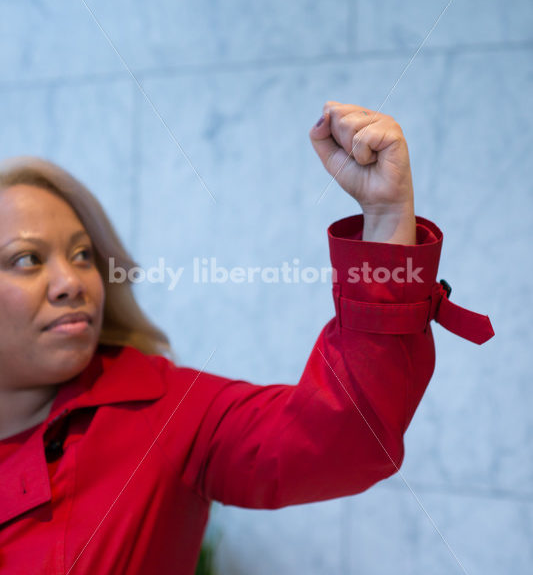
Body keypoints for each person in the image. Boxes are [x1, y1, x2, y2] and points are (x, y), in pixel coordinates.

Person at [0, 102, 494, 574]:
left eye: (84, 254)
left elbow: (348, 438)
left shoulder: (169, 411)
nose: (73, 282)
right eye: (27, 259)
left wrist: (386, 221)